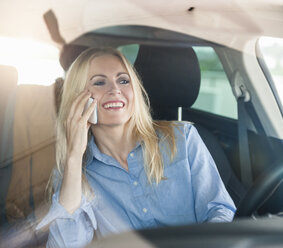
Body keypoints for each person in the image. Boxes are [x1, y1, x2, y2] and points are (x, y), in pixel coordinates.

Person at [36, 47, 236, 247]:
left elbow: (219, 211)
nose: (115, 90)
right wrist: (73, 156)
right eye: (99, 82)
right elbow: (65, 245)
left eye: (123, 80)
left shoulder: (182, 138)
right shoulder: (75, 174)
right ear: (78, 99)